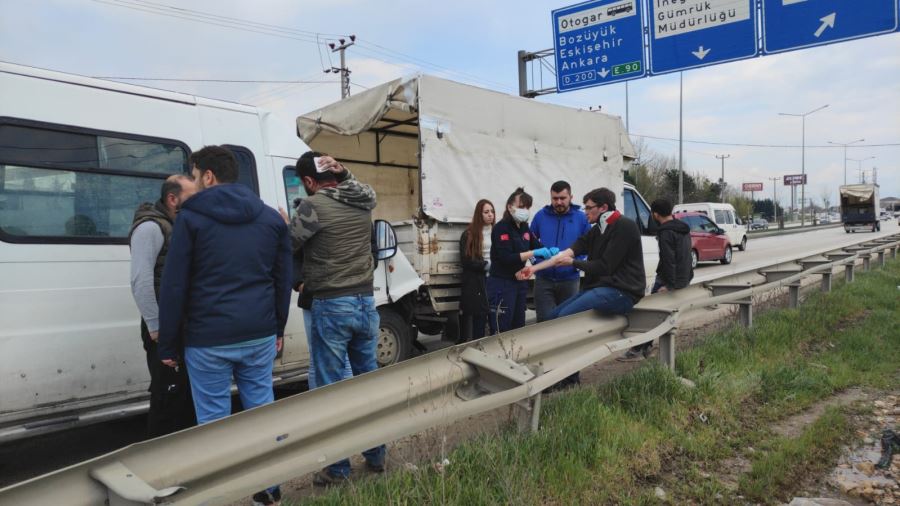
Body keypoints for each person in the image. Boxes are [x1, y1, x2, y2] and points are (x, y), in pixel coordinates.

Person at [157, 145, 290, 506]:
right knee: (261, 411)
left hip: (208, 339)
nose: (195, 182)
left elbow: (174, 286)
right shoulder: (270, 219)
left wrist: (167, 344)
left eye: (195, 175)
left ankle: (221, 495)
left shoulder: (191, 218)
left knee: (215, 423)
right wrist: (278, 328)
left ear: (208, 176)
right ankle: (269, 490)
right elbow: (281, 278)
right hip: (260, 333)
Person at [289, 151, 385, 485]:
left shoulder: (311, 207)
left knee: (331, 391)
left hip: (332, 305)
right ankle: (376, 455)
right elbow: (366, 192)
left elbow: (289, 244)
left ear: (309, 182)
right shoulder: (362, 203)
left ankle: (338, 468)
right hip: (366, 303)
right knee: (367, 384)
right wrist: (345, 172)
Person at [517, 187, 645, 386]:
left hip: (623, 292)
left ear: (603, 208)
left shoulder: (624, 226)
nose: (585, 212)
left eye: (588, 208)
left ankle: (566, 378)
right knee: (551, 318)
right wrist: (533, 270)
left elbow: (605, 266)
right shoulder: (597, 230)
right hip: (602, 288)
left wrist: (574, 263)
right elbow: (565, 254)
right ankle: (554, 375)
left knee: (565, 319)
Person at [129, 174, 198, 438]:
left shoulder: (174, 224)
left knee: (183, 392)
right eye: (191, 196)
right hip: (163, 326)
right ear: (172, 198)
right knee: (166, 393)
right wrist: (156, 327)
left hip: (179, 322)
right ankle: (159, 456)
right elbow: (141, 281)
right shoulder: (150, 228)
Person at [620, 198, 692, 361]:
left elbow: (668, 259)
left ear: (655, 214)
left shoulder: (666, 232)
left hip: (669, 280)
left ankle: (637, 350)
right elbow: (686, 256)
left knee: (648, 314)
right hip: (683, 278)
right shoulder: (683, 229)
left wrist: (669, 285)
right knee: (660, 315)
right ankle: (646, 347)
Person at [488, 187, 551, 334]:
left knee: (518, 325)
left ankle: (515, 356)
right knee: (501, 326)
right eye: (521, 207)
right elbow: (506, 258)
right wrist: (534, 252)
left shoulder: (524, 227)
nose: (525, 210)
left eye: (527, 207)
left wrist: (550, 251)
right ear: (510, 207)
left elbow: (537, 246)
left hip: (519, 281)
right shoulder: (501, 228)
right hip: (501, 284)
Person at [529, 181, 592, 322]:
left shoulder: (581, 218)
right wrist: (536, 261)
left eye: (562, 198)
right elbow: (529, 242)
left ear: (571, 197)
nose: (558, 202)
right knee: (544, 321)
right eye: (555, 198)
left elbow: (589, 245)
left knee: (568, 322)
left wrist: (577, 263)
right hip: (543, 280)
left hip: (570, 280)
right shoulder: (540, 216)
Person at [458, 199, 495, 342]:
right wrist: (486, 265)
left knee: (495, 316)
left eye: (492, 211)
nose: (490, 215)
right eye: (486, 212)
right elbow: (466, 260)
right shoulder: (469, 234)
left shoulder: (497, 231)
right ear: (479, 214)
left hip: (495, 279)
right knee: (479, 318)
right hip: (478, 281)